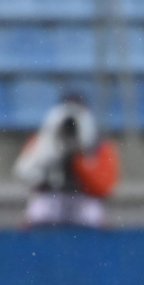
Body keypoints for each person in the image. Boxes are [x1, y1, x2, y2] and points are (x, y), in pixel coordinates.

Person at [13, 93, 119, 228]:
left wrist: (79, 158)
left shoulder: (100, 146)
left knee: (100, 220)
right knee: (31, 217)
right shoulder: (42, 142)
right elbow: (24, 174)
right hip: (50, 199)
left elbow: (104, 188)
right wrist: (52, 152)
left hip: (83, 200)